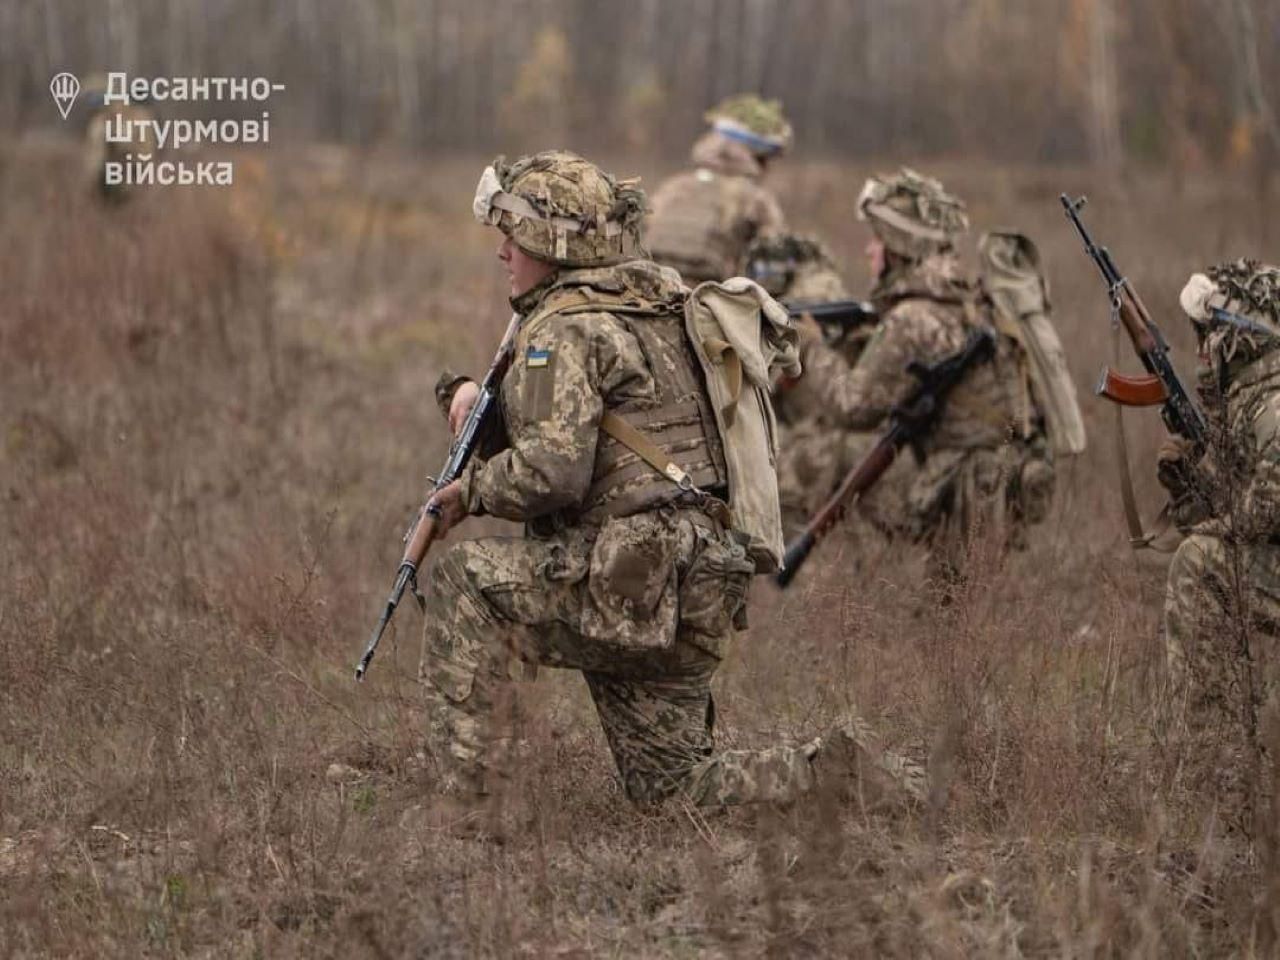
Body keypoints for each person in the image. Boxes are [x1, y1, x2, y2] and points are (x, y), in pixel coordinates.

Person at [417, 150, 923, 812]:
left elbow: (553, 472)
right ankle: (834, 776)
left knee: (464, 583)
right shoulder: (663, 300)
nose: (502, 253)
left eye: (511, 236)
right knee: (673, 788)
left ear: (549, 240)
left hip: (629, 583)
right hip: (698, 581)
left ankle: (469, 809)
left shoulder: (565, 328)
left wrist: (471, 493)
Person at [777, 169, 1054, 582]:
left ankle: (847, 574)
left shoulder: (912, 318)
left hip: (965, 489)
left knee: (830, 451)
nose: (869, 251)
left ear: (899, 247)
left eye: (877, 241)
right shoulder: (970, 295)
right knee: (960, 613)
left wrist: (812, 346)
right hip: (1011, 477)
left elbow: (851, 406)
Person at [1157, 259, 1280, 837]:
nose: (1202, 353)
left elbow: (1264, 511)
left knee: (1199, 563)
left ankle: (1210, 755)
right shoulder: (1249, 398)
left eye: (1208, 338)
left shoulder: (1273, 404)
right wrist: (1188, 487)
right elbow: (1232, 498)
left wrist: (1205, 531)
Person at [644, 94, 790, 284]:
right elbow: (774, 271)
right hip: (710, 298)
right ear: (759, 159)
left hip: (654, 290)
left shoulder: (673, 186)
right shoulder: (756, 199)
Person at [81, 76, 153, 203]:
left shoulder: (133, 115)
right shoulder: (103, 119)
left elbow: (135, 145)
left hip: (127, 165)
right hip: (116, 169)